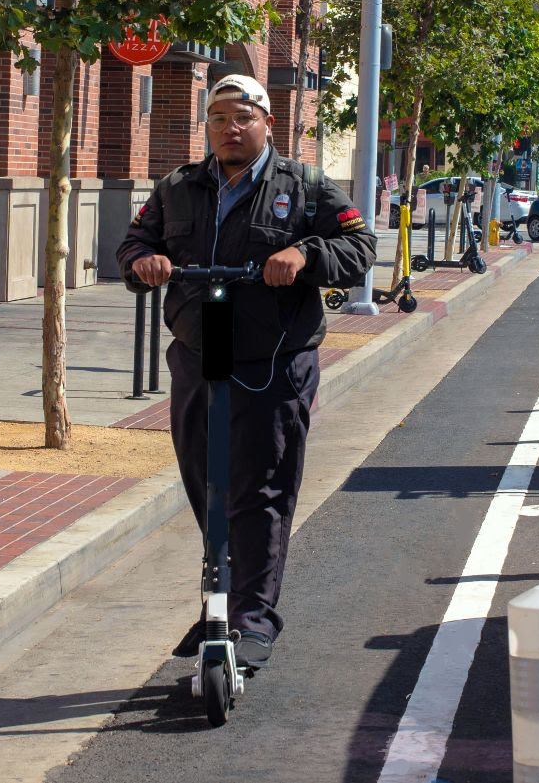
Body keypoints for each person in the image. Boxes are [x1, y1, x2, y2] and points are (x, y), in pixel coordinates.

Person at [117, 74, 377, 669]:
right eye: (218, 119)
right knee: (209, 485)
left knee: (261, 490)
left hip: (274, 361)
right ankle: (221, 604)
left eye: (243, 118)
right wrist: (146, 262)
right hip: (199, 355)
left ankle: (251, 618)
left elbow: (360, 249)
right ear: (206, 127)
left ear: (266, 123)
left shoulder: (305, 187)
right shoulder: (179, 186)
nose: (231, 129)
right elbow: (133, 244)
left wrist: (306, 254)